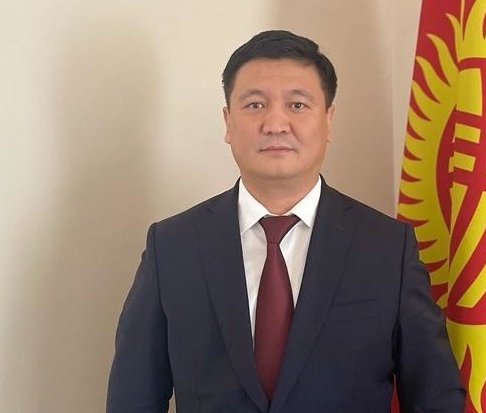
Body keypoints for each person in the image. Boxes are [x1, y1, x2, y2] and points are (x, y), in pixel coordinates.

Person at [106, 30, 465, 413]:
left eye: (297, 104)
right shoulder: (172, 247)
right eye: (255, 105)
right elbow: (133, 399)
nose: (275, 124)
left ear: (328, 121)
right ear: (228, 122)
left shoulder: (387, 248)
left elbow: (436, 398)